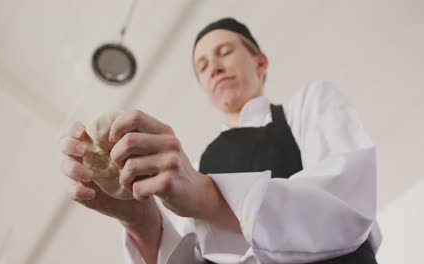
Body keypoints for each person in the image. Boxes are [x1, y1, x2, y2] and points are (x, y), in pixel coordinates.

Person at [59, 17, 382, 263]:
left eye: (224, 53)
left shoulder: (310, 104)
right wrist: (140, 221)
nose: (213, 68)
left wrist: (210, 198)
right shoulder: (197, 168)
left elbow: (347, 206)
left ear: (260, 62)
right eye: (202, 66)